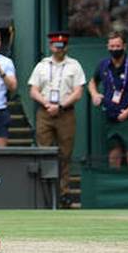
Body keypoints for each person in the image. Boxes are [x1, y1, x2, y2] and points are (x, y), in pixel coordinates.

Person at [27, 31, 85, 205]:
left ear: (66, 47)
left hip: (65, 112)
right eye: (55, 46)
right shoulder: (42, 65)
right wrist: (47, 104)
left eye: (62, 46)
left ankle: (63, 192)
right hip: (45, 112)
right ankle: (42, 191)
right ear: (51, 46)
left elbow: (78, 92)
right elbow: (33, 90)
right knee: (43, 151)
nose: (58, 49)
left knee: (65, 154)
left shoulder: (74, 65)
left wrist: (60, 106)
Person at [87, 31, 128, 168]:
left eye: (117, 46)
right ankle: (116, 185)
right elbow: (92, 82)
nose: (114, 49)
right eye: (111, 46)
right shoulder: (103, 65)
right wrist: (95, 94)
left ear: (124, 46)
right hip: (110, 118)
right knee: (113, 155)